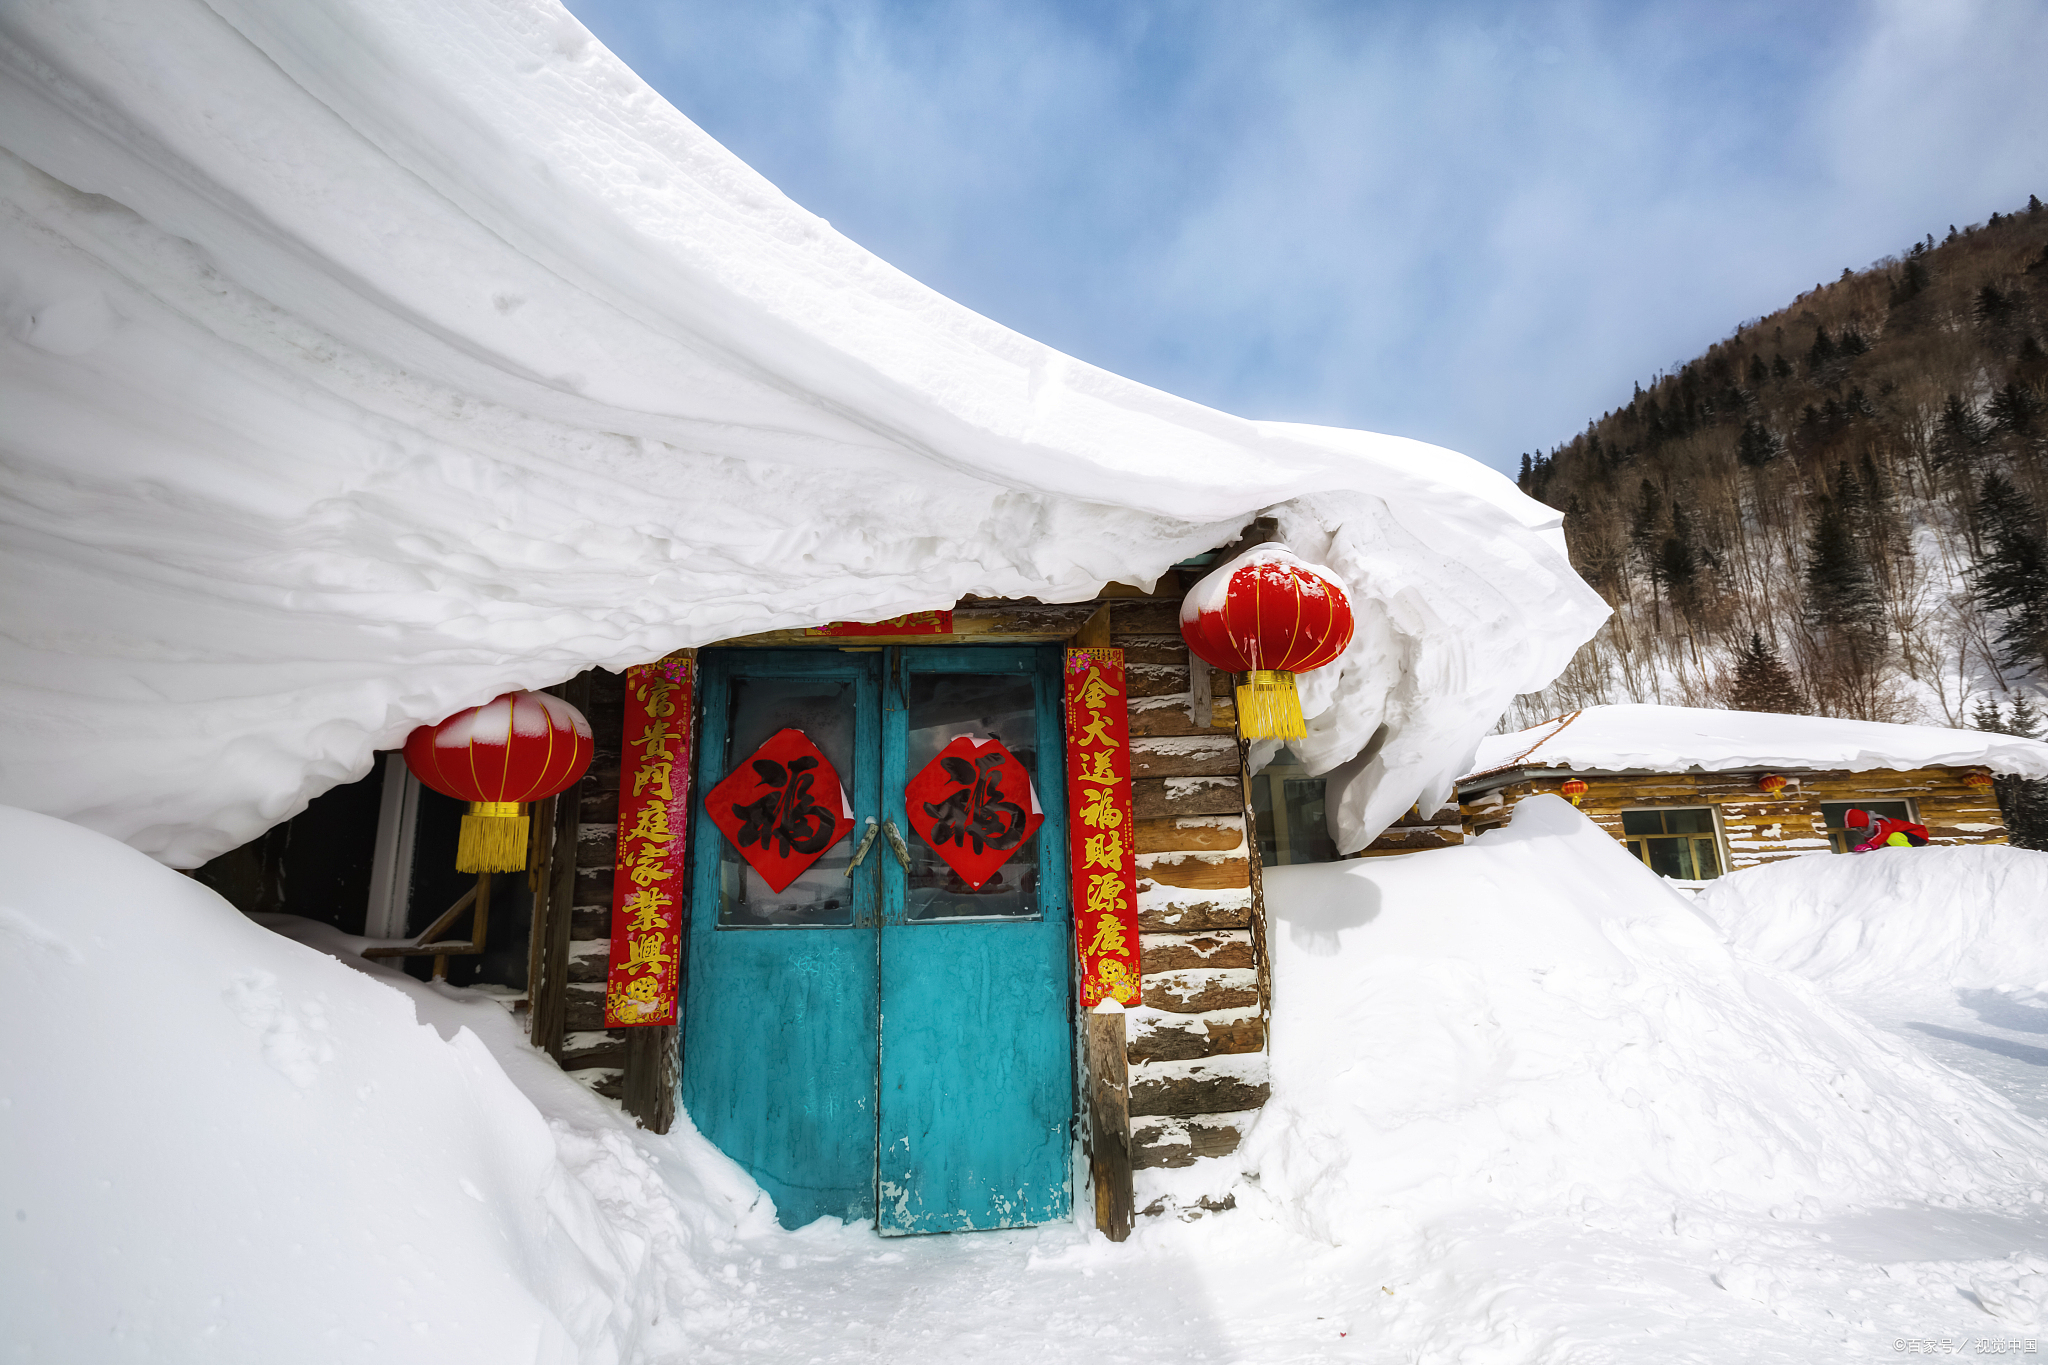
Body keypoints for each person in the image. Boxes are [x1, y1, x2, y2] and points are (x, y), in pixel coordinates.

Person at [1842, 807, 1929, 852]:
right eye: (1855, 829)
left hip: (1918, 834)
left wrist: (1871, 845)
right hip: (1905, 838)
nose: (1859, 830)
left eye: (1859, 828)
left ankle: (1910, 854)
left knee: (1892, 837)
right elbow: (1874, 844)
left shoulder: (1881, 823)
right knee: (1888, 844)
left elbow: (1884, 833)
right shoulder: (1870, 833)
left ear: (1865, 823)